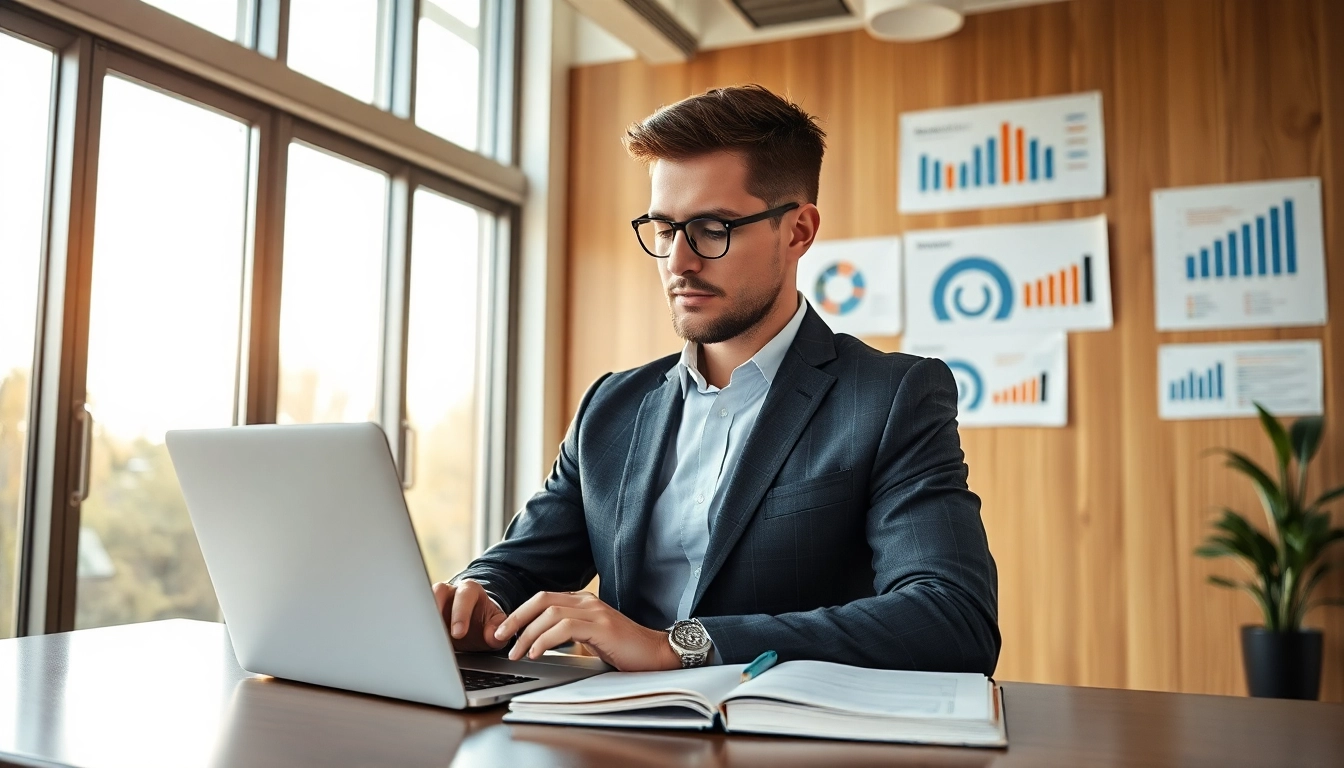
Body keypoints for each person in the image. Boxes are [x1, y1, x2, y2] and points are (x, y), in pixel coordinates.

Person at [434, 85, 1000, 674]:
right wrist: (478, 598)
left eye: (712, 228)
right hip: (608, 722)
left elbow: (952, 617)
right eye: (664, 229)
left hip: (782, 724)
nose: (678, 262)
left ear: (798, 232)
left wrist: (678, 646)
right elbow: (520, 567)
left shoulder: (891, 397)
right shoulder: (611, 405)